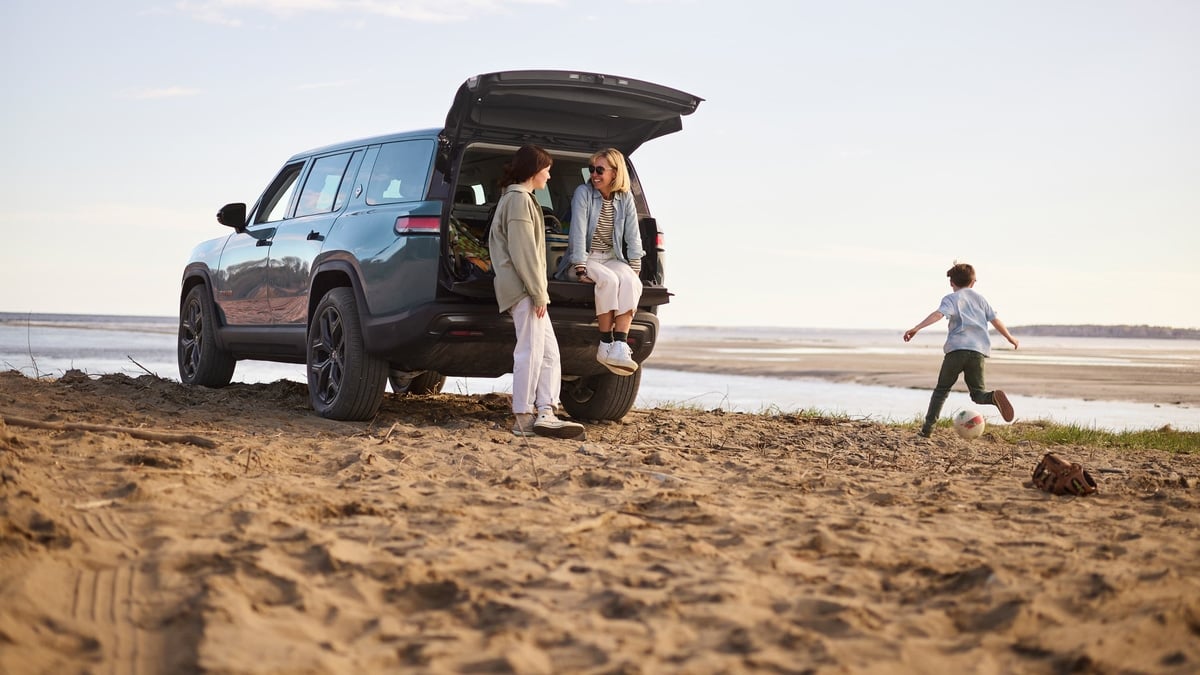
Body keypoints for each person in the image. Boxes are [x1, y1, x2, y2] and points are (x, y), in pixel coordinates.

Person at [488, 145, 586, 439]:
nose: (549, 174)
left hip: (529, 288)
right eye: (546, 169)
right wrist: (538, 292)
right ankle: (523, 416)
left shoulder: (522, 199)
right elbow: (524, 253)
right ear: (534, 170)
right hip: (524, 289)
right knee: (530, 352)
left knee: (549, 353)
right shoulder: (518, 201)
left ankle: (546, 411)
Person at [904, 262, 1020, 438]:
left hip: (956, 350)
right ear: (973, 282)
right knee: (978, 394)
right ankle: (993, 397)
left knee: (941, 391)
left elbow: (938, 314)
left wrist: (917, 328)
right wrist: (1010, 338)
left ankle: (927, 430)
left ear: (951, 282)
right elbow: (995, 321)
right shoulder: (981, 299)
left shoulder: (951, 299)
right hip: (978, 352)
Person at [566, 148, 645, 376]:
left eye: (600, 170)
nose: (594, 174)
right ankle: (605, 344)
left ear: (615, 172)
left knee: (631, 282)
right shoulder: (584, 192)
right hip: (587, 256)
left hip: (611, 256)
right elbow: (578, 231)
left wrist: (635, 265)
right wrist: (580, 265)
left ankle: (620, 345)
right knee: (609, 281)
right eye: (591, 169)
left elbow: (633, 234)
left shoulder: (625, 197)